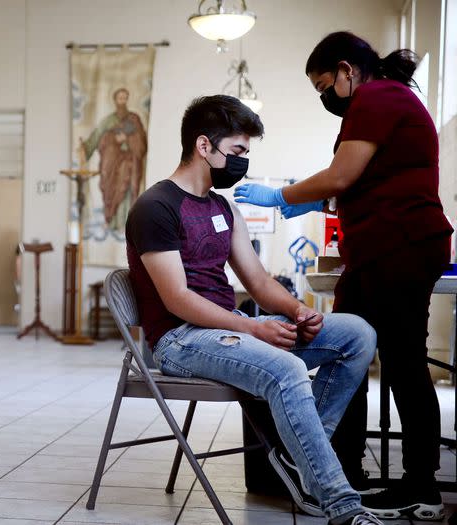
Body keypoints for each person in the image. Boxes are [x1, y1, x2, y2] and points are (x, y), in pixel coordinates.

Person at [126, 94, 381, 525]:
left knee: (357, 334)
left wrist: (298, 312)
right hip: (180, 340)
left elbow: (260, 284)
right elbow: (178, 300)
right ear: (204, 146)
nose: (242, 162)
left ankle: (297, 453)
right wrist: (254, 330)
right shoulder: (155, 208)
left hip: (229, 329)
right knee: (286, 370)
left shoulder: (224, 208)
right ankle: (342, 504)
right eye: (238, 152)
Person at [234, 31, 453, 521]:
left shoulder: (377, 96)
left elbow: (340, 175)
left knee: (400, 364)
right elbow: (357, 181)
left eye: (323, 85)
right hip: (383, 249)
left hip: (399, 246)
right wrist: (314, 199)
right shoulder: (385, 100)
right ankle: (344, 473)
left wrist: (281, 196)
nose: (323, 97)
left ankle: (420, 486)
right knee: (352, 348)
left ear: (346, 71)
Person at [80, 87, 148, 231]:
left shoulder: (134, 119)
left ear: (127, 100)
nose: (122, 101)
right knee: (110, 186)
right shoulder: (108, 120)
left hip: (130, 161)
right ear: (115, 100)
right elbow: (97, 136)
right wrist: (85, 148)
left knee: (126, 184)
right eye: (119, 98)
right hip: (111, 163)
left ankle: (126, 223)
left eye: (124, 98)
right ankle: (111, 221)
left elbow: (141, 141)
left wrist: (128, 138)